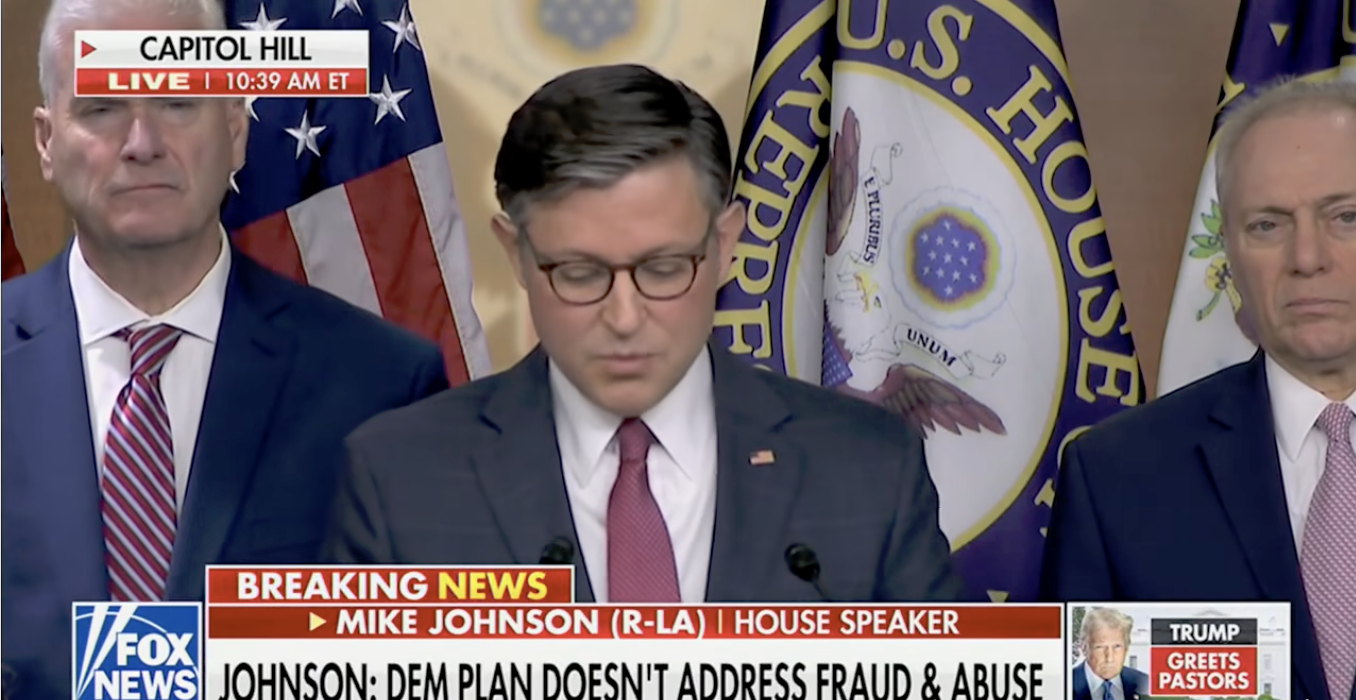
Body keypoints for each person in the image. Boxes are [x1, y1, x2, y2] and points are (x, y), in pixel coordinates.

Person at [322, 64, 964, 604]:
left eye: (663, 269)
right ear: (516, 253)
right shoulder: (400, 479)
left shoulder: (867, 469)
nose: (625, 317)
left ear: (725, 245)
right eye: (579, 274)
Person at [1, 0, 449, 696]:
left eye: (178, 103)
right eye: (101, 108)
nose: (142, 142)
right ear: (46, 141)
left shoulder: (384, 384)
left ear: (236, 129)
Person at [1040, 78, 1356, 700]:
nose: (1307, 257)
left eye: (1346, 216)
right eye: (1267, 224)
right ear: (1229, 254)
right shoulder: (1116, 476)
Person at [1070, 608, 1147, 700]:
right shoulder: (1064, 684)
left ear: (1126, 648)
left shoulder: (1145, 683)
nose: (1109, 658)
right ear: (1084, 648)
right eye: (1100, 647)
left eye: (1117, 646)